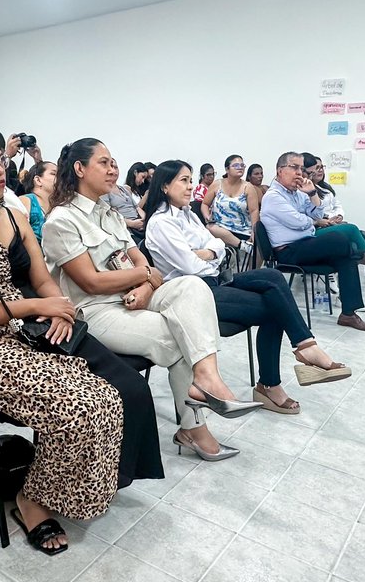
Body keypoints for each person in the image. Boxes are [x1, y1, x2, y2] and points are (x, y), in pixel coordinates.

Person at [0, 127, 162, 553]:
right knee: (78, 405)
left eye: (1, 159)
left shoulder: (14, 218)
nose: (1, 169)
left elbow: (41, 280)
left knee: (108, 398)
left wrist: (61, 309)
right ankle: (30, 499)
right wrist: (35, 308)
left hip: (26, 334)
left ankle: (60, 487)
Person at [42, 138, 262, 462]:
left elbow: (143, 263)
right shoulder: (62, 220)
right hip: (95, 310)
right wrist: (144, 277)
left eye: (113, 161)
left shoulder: (110, 213)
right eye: (104, 162)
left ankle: (208, 379)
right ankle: (194, 428)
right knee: (178, 337)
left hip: (135, 296)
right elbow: (92, 281)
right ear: (79, 168)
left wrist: (145, 285)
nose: (113, 168)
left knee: (192, 286)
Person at [144, 161, 351, 413]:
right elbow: (191, 266)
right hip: (194, 293)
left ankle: (306, 347)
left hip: (217, 279)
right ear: (165, 186)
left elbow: (220, 246)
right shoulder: (161, 222)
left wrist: (208, 253)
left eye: (190, 180)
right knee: (276, 308)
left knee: (272, 277)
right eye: (183, 181)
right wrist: (210, 254)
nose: (190, 187)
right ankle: (271, 385)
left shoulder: (188, 214)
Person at [259, 153, 365, 332]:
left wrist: (312, 193)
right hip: (288, 252)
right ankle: (364, 255)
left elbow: (316, 214)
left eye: (301, 168)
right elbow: (300, 221)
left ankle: (348, 314)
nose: (299, 172)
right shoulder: (273, 196)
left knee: (345, 258)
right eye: (294, 167)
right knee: (338, 237)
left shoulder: (297, 193)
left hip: (306, 244)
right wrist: (312, 221)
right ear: (280, 171)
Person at [302, 153, 365, 280]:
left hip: (328, 223)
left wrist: (338, 215)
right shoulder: (303, 190)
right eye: (316, 169)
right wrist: (325, 219)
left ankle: (340, 276)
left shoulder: (324, 188)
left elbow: (336, 205)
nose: (320, 170)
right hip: (316, 228)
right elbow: (313, 214)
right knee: (351, 231)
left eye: (322, 167)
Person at [203, 153, 260, 249]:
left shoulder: (248, 187)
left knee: (259, 249)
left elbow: (254, 211)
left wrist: (254, 232)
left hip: (242, 230)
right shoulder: (217, 184)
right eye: (236, 165)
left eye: (242, 165)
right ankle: (242, 246)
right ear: (227, 169)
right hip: (220, 228)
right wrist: (207, 216)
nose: (240, 168)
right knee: (210, 228)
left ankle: (243, 246)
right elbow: (205, 204)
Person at [102, 170, 145, 240]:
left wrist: (144, 219)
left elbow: (137, 207)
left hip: (139, 224)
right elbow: (109, 216)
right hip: (126, 230)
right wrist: (132, 223)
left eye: (115, 167)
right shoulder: (104, 191)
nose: (113, 171)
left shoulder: (124, 189)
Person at [20, 160, 55, 241]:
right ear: (38, 180)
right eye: (54, 174)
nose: (60, 178)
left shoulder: (59, 206)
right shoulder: (25, 201)